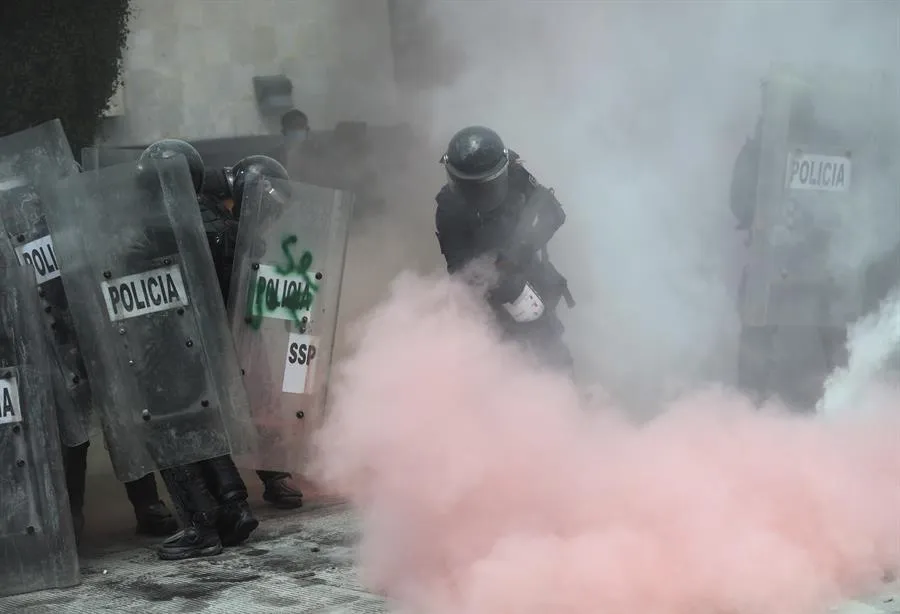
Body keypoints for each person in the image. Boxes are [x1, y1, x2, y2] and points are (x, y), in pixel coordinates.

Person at [137, 139, 260, 559]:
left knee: (170, 427)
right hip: (211, 341)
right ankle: (234, 507)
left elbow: (121, 269)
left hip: (170, 343)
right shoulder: (214, 218)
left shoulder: (155, 226)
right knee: (206, 423)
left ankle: (200, 526)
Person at [201, 154, 305, 510]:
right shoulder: (202, 208)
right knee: (211, 405)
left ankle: (274, 473)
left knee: (260, 390)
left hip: (236, 316)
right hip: (202, 326)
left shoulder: (229, 213)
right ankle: (226, 488)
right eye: (266, 210)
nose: (267, 221)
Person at [434, 125, 575, 370]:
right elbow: (461, 271)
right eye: (469, 186)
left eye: (482, 185)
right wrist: (500, 280)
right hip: (490, 298)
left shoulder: (514, 174)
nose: (476, 193)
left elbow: (553, 213)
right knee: (499, 368)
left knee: (553, 358)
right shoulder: (449, 210)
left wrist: (522, 247)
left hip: (532, 277)